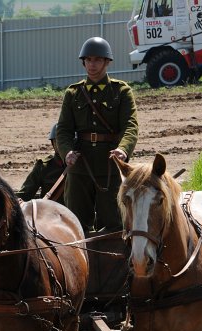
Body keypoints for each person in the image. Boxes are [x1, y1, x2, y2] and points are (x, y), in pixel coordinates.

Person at [56, 36, 138, 233]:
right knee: (75, 224)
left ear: (107, 62)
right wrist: (66, 152)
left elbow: (130, 126)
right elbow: (64, 130)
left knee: (114, 223)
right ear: (83, 62)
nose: (92, 65)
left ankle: (115, 263)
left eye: (97, 60)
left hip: (110, 166)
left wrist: (123, 149)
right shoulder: (73, 93)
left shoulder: (121, 91)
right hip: (80, 166)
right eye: (88, 60)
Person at [16, 124, 66, 203]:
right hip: (51, 213)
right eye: (59, 141)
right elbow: (25, 194)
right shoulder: (43, 167)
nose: (63, 145)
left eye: (66, 141)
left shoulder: (83, 166)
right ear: (53, 143)